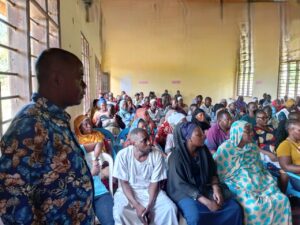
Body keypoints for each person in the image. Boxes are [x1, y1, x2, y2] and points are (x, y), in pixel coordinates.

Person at [0, 48, 95, 224]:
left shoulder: (54, 120)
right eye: (79, 78)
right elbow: (12, 202)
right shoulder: (30, 125)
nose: (84, 85)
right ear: (57, 79)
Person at [214, 120, 292, 225]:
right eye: (248, 132)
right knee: (254, 207)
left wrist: (260, 178)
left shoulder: (252, 147)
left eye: (251, 131)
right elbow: (221, 173)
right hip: (238, 184)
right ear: (238, 133)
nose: (252, 133)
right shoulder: (225, 149)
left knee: (282, 200)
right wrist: (245, 179)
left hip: (260, 181)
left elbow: (259, 167)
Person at [167, 122, 243, 225]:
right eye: (199, 134)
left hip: (204, 186)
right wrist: (207, 202)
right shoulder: (175, 157)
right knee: (196, 217)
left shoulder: (203, 150)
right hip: (185, 193)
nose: (204, 135)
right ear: (189, 138)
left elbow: (212, 171)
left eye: (202, 132)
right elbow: (180, 185)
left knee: (234, 208)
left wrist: (216, 189)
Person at [113, 128, 178, 225]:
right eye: (144, 141)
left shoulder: (156, 155)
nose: (149, 142)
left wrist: (150, 205)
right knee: (120, 212)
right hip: (127, 192)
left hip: (150, 192)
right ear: (134, 143)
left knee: (170, 209)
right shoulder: (122, 155)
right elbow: (124, 184)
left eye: (149, 138)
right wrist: (136, 205)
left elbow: (154, 184)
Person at [74, 115, 114, 225]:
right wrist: (91, 174)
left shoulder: (78, 148)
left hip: (98, 192)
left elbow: (99, 143)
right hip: (77, 197)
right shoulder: (54, 164)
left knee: (111, 221)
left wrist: (95, 160)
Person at [277, 119, 300, 191]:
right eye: (299, 130)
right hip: (297, 178)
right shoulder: (284, 145)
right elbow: (286, 167)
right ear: (290, 130)